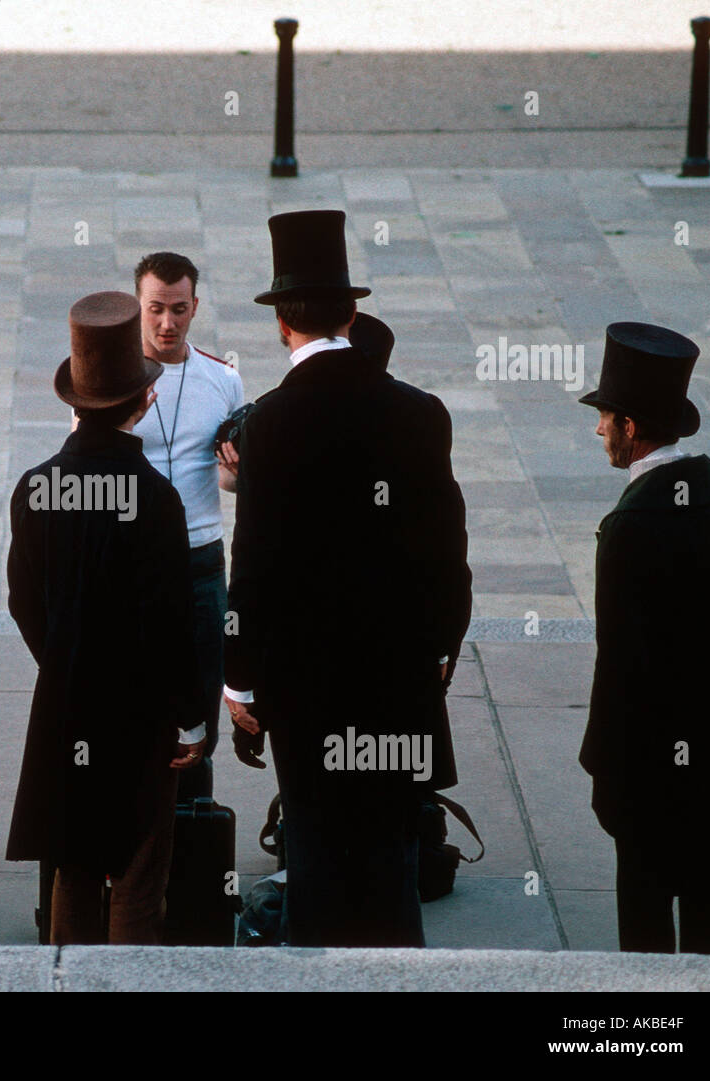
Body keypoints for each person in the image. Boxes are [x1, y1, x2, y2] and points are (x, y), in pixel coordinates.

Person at [224, 211, 471, 947]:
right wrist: (439, 650)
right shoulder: (422, 413)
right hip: (397, 684)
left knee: (321, 854)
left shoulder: (267, 423)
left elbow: (256, 566)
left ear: (281, 325)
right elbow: (447, 556)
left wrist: (241, 680)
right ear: (353, 312)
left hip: (308, 694)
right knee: (392, 859)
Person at [6, 291, 202, 945]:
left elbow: (23, 601)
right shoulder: (156, 497)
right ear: (143, 399)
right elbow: (175, 618)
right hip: (141, 717)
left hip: (66, 707)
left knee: (75, 868)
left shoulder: (36, 488)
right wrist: (190, 714)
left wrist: (65, 657)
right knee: (140, 874)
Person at [578, 322, 710, 954]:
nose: (599, 430)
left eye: (605, 417)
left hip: (647, 762)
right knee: (707, 900)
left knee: (643, 916)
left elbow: (619, 665)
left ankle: (646, 1035)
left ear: (631, 428)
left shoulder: (631, 524)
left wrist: (604, 767)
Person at [130, 252, 244, 798]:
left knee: (202, 691)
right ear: (139, 307)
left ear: (195, 306)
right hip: (135, 557)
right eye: (155, 309)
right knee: (139, 690)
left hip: (200, 556)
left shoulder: (223, 379)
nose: (167, 323)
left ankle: (195, 820)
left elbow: (228, 485)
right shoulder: (110, 376)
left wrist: (238, 473)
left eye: (179, 309)